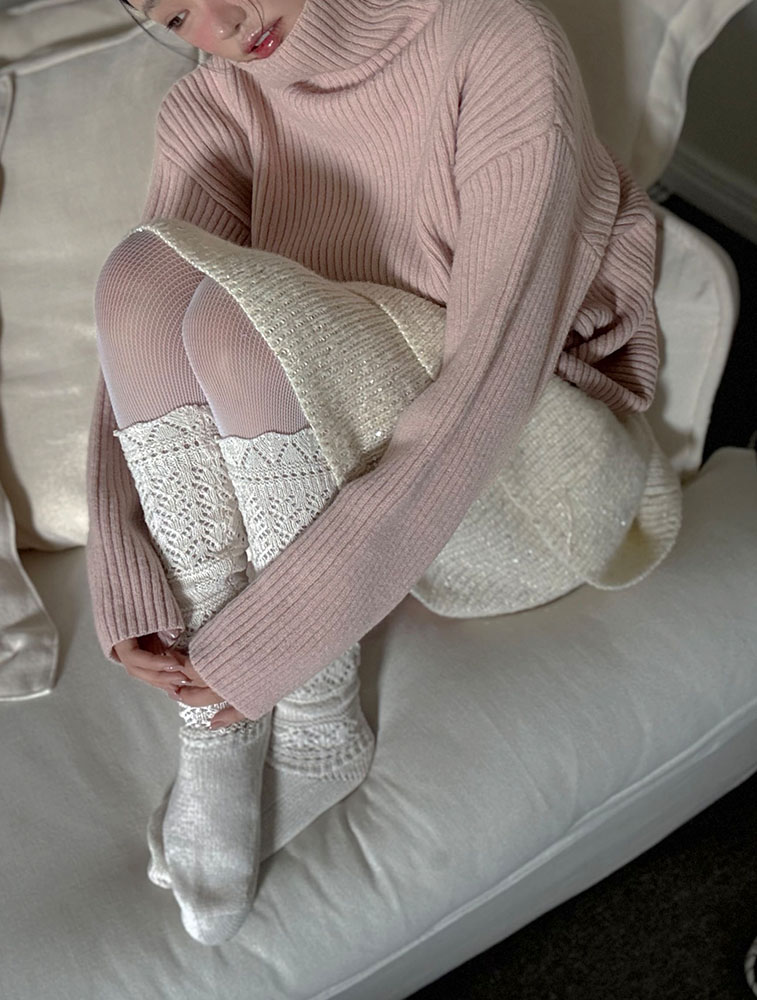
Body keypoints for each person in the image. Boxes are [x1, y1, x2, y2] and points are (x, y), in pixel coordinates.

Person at [86, 0, 682, 946]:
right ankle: (217, 726)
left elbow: (493, 375)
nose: (226, 20)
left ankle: (317, 717)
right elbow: (138, 338)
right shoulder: (218, 104)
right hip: (362, 444)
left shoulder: (495, 41)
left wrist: (288, 639)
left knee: (235, 330)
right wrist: (124, 571)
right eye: (177, 12)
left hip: (530, 470)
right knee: (137, 275)